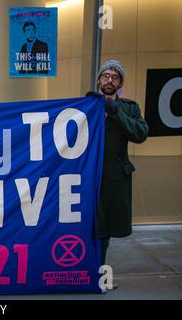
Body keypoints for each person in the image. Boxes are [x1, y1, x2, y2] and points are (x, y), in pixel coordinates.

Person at [86, 60, 149, 275]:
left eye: (114, 77)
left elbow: (140, 134)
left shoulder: (129, 108)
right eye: (106, 76)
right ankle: (83, 271)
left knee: (105, 229)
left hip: (113, 178)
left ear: (120, 83)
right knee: (85, 224)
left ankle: (99, 273)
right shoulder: (86, 105)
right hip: (87, 175)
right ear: (98, 79)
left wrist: (115, 111)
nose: (109, 80)